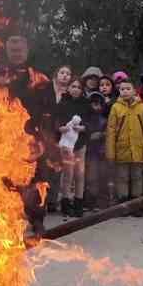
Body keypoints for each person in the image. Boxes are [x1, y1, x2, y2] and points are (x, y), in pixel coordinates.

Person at [54, 79, 89, 217]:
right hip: (66, 144)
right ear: (68, 88)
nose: (76, 89)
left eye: (79, 87)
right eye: (73, 86)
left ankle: (79, 203)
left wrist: (83, 127)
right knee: (67, 174)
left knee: (79, 173)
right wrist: (59, 128)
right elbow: (56, 121)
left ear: (82, 90)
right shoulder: (62, 103)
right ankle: (65, 202)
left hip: (80, 143)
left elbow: (90, 122)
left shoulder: (85, 104)